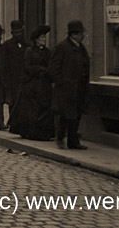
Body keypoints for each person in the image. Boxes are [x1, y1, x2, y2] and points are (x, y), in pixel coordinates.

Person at [49, 20, 90, 150]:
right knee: (65, 115)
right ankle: (60, 138)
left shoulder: (81, 47)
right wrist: (62, 82)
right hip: (67, 89)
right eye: (80, 33)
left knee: (76, 115)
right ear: (73, 34)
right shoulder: (62, 47)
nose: (82, 36)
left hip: (79, 88)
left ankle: (73, 141)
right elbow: (53, 68)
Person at [8, 25, 54, 140]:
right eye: (42, 37)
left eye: (44, 37)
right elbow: (27, 67)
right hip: (32, 84)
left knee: (44, 108)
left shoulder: (48, 52)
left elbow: (51, 66)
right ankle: (32, 132)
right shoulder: (30, 51)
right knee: (32, 109)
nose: (44, 39)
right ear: (36, 39)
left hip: (44, 85)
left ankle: (43, 133)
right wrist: (40, 70)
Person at [2, 20, 27, 113]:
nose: (19, 35)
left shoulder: (26, 45)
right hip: (12, 80)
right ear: (12, 33)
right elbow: (4, 65)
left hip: (24, 79)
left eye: (20, 32)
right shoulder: (7, 45)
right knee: (13, 104)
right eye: (16, 32)